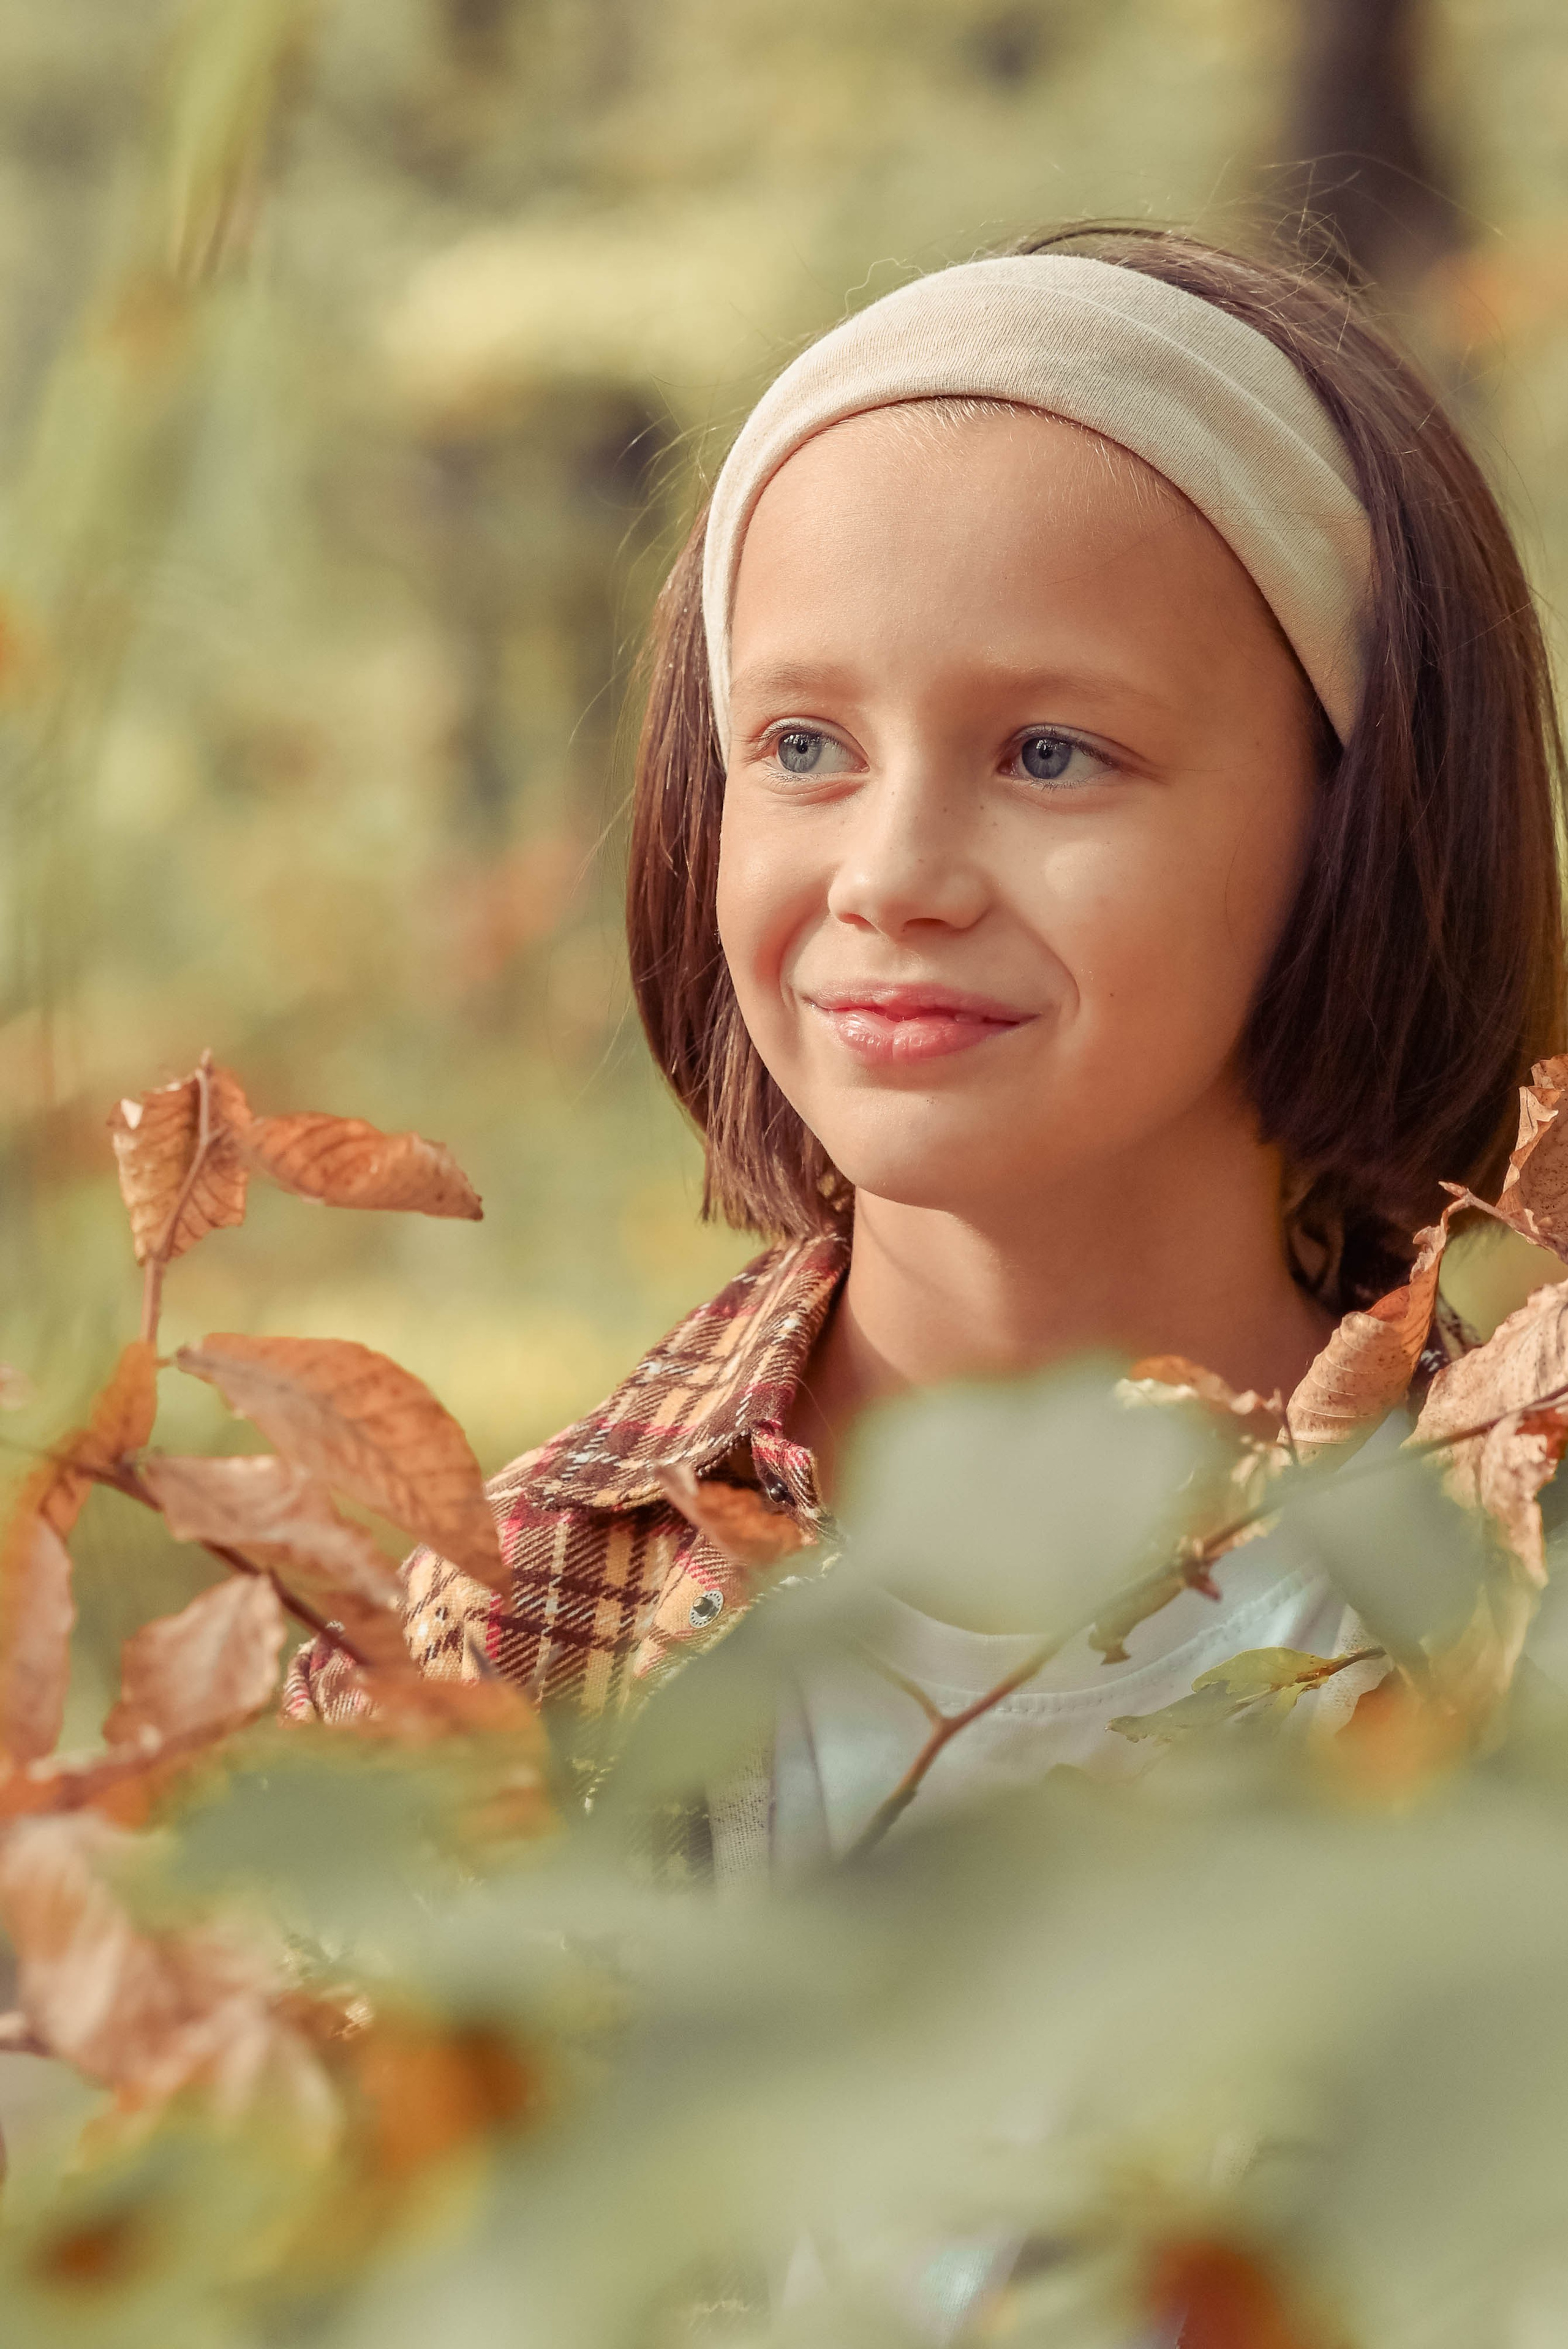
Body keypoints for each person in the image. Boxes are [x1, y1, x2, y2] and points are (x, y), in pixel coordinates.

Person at [283, 224, 1566, 1861]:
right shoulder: (501, 1629)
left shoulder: (1525, 1591)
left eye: (1050, 753)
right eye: (805, 743)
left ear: (1360, 824)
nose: (890, 878)